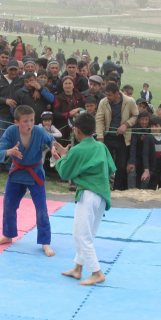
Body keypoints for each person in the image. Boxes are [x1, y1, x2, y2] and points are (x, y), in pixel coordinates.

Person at [53, 112, 115, 286]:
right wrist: (68, 156)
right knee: (88, 234)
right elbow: (110, 168)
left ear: (76, 131)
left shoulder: (78, 150)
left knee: (80, 236)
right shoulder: (101, 147)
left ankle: (97, 272)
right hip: (102, 196)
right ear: (94, 129)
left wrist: (60, 158)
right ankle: (78, 268)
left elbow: (66, 173)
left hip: (88, 195)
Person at [0, 105, 56, 257]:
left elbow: (52, 141)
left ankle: (45, 242)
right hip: (17, 172)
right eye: (25, 121)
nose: (29, 124)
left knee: (41, 209)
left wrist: (55, 149)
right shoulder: (10, 132)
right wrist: (9, 152)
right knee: (9, 205)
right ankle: (8, 234)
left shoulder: (39, 131)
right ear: (16, 122)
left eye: (32, 120)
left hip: (35, 172)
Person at [96, 82, 138, 191]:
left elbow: (135, 116)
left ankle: (117, 190)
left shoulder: (130, 101)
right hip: (107, 137)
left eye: (109, 95)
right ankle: (103, 188)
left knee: (121, 166)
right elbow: (99, 120)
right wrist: (100, 139)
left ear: (117, 94)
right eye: (106, 94)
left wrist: (126, 125)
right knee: (104, 164)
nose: (107, 97)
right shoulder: (103, 102)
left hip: (123, 138)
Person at [0, 59, 24, 173]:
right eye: (11, 70)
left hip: (15, 117)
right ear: (7, 69)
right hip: (0, 114)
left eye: (16, 69)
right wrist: (5, 101)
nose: (14, 72)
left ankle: (9, 165)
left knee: (14, 142)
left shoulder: (21, 81)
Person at [127, 111, 150, 189]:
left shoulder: (151, 129)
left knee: (144, 177)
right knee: (131, 172)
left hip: (146, 159)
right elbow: (133, 146)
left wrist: (146, 139)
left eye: (146, 119)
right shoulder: (135, 129)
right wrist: (132, 162)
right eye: (142, 120)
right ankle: (131, 192)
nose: (144, 122)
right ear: (138, 120)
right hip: (135, 156)